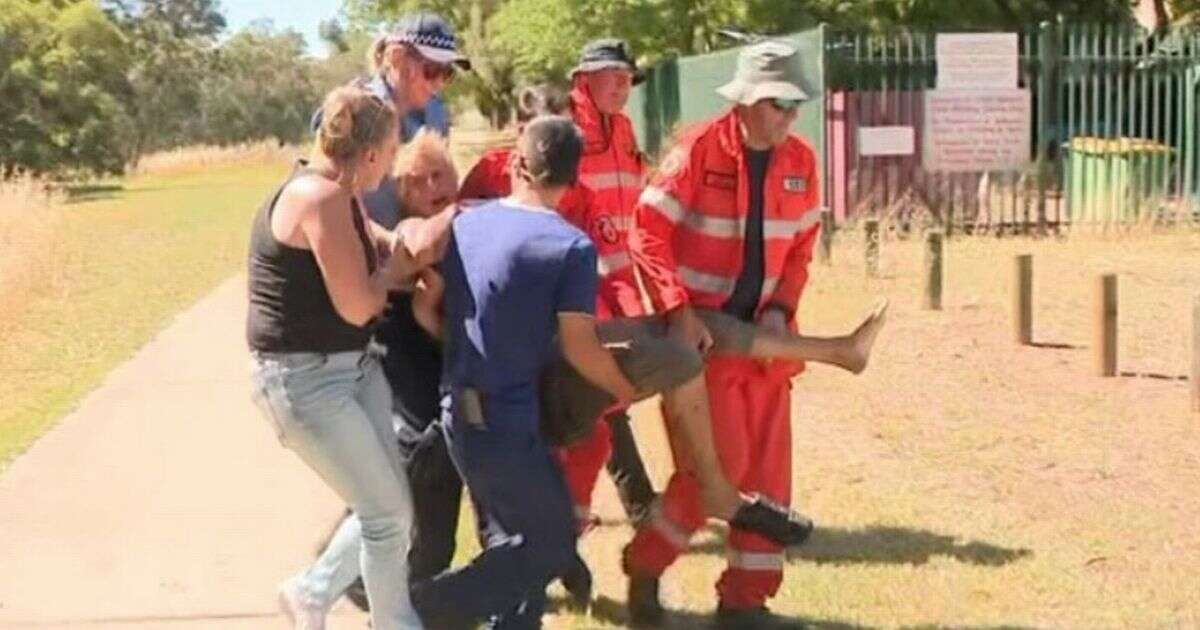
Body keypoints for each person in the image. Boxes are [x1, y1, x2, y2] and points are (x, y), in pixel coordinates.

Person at [623, 40, 827, 628]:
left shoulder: (803, 162)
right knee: (719, 471)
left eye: (794, 105)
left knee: (769, 474)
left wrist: (783, 308)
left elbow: (802, 250)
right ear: (745, 101)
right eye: (778, 104)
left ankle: (745, 601)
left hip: (766, 351)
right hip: (703, 348)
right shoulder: (696, 151)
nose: (789, 116)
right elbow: (646, 231)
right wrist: (677, 308)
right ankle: (645, 565)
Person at [409, 115, 636, 630]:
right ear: (574, 179)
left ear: (516, 164)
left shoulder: (467, 222)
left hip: (461, 416)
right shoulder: (571, 248)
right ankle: (418, 610)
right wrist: (623, 386)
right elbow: (581, 346)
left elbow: (429, 310)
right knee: (550, 543)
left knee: (516, 549)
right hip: (507, 425)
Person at [247, 86, 442, 630]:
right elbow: (360, 304)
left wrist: (404, 242)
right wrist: (398, 273)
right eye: (394, 150)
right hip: (305, 383)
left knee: (390, 509)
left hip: (350, 370)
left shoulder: (338, 187)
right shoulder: (320, 198)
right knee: (386, 516)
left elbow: (374, 238)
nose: (396, 163)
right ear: (374, 153)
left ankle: (310, 594)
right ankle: (393, 622)